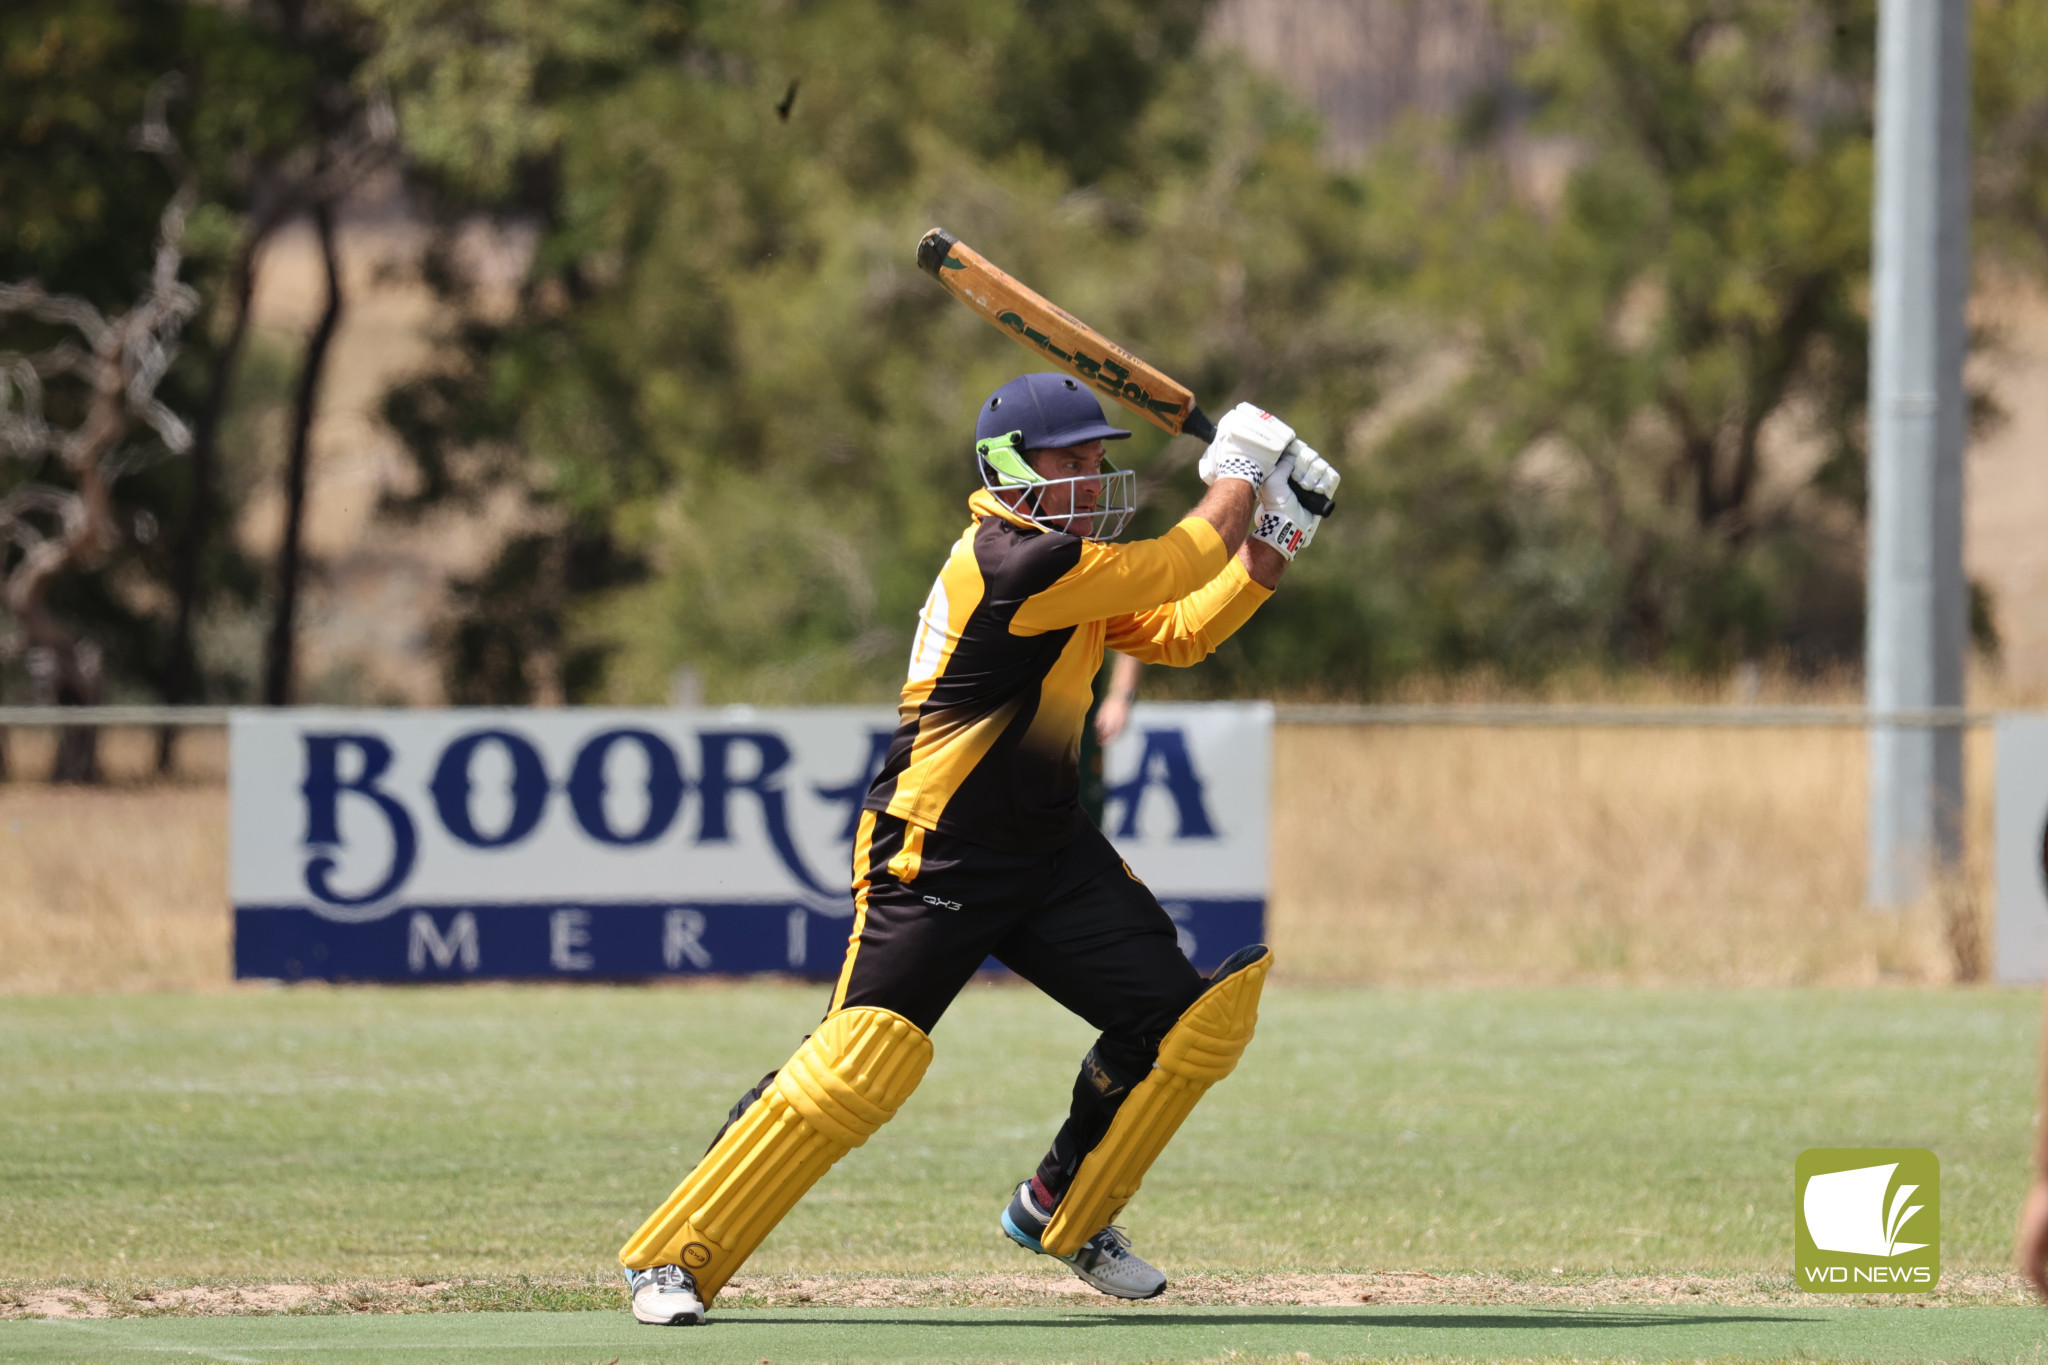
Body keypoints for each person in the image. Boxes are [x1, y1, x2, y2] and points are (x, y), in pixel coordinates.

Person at [616, 372, 1339, 1325]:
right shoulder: (1014, 564)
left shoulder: (1066, 561)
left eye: (1096, 461)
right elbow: (1172, 565)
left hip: (1046, 850)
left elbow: (1175, 631)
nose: (1089, 479)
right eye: (1070, 462)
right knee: (856, 1060)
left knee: (1176, 1021)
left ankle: (1063, 1207)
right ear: (1008, 470)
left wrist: (1275, 537)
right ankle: (672, 1258)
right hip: (937, 851)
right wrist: (1241, 472)